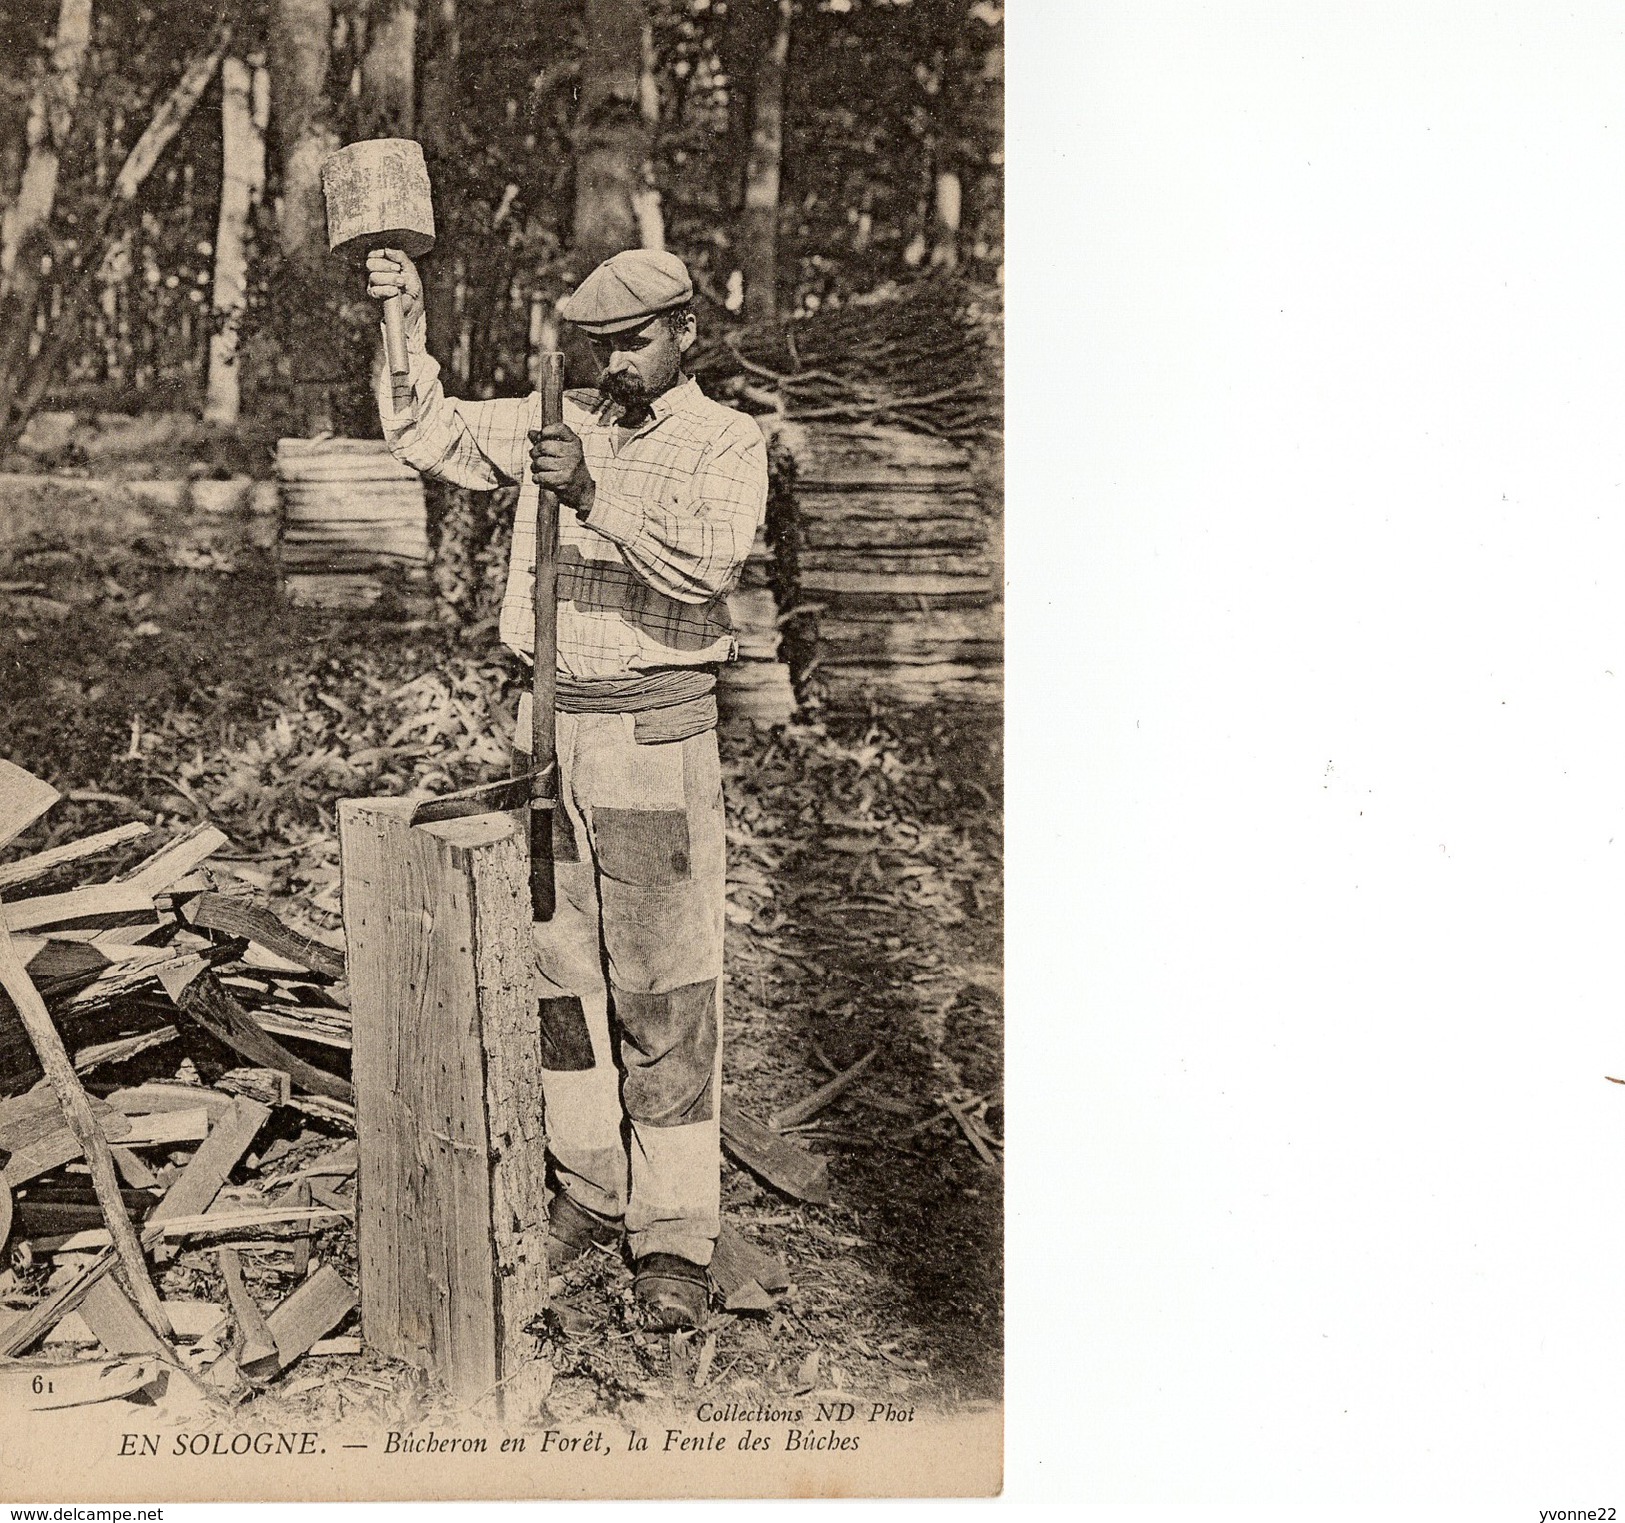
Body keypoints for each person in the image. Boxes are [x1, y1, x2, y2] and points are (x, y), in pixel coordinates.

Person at [365, 245, 769, 1330]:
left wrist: (590, 495)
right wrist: (402, 312)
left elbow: (709, 564)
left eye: (634, 341)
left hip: (649, 726)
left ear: (688, 332)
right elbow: (427, 432)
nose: (615, 363)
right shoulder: (562, 412)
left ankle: (673, 1236)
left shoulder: (726, 440)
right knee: (558, 981)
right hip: (546, 726)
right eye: (600, 345)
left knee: (663, 988)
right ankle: (589, 1185)